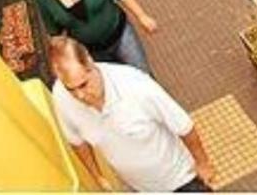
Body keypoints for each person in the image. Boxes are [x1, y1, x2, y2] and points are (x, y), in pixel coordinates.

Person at [48, 36, 217, 192]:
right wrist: (97, 176)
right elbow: (77, 142)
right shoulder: (61, 95)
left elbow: (184, 126)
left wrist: (203, 164)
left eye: (83, 85)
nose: (80, 96)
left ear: (90, 63)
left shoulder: (137, 86)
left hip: (180, 180)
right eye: (71, 89)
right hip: (139, 188)